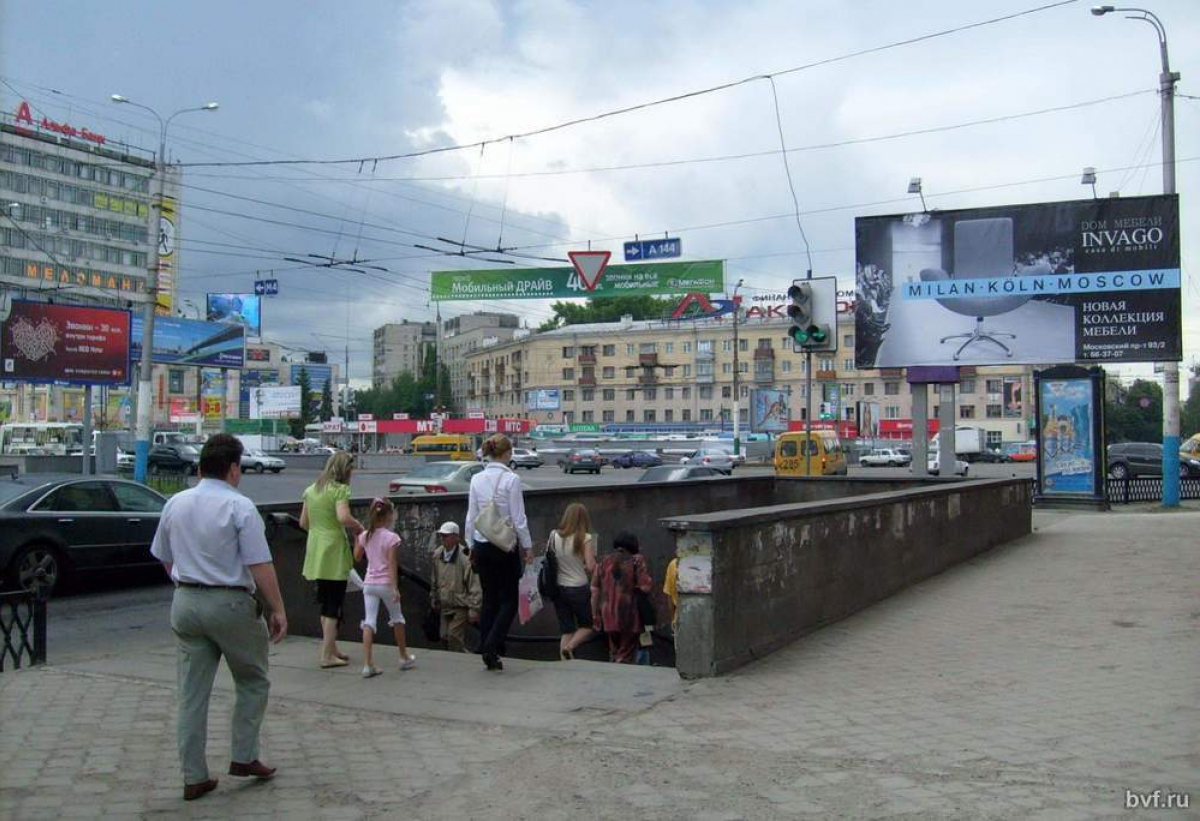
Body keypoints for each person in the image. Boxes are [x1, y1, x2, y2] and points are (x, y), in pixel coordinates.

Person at [149, 433, 287, 802]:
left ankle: (193, 776)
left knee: (191, 694)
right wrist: (277, 609)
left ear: (199, 467)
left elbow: (164, 555)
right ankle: (244, 756)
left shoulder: (175, 503)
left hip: (185, 600)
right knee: (253, 680)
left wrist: (187, 583)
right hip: (230, 604)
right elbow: (260, 565)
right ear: (232, 468)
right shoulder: (240, 507)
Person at [464, 433, 532, 671]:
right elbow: (518, 517)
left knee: (489, 597)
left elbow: (471, 516)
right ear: (505, 454)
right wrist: (527, 547)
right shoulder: (511, 479)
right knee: (510, 600)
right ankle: (492, 645)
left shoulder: (476, 479)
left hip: (482, 543)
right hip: (505, 546)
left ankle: (487, 645)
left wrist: (470, 544)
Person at [300, 451, 364, 668]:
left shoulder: (311, 490)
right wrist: (358, 526)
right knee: (334, 604)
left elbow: (303, 523)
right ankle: (326, 656)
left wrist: (320, 529)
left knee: (325, 600)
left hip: (316, 548)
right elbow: (343, 517)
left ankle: (332, 647)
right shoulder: (340, 490)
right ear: (345, 470)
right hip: (334, 549)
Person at [353, 498, 416, 678]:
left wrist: (357, 539)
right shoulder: (391, 538)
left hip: (369, 583)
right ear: (388, 515)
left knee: (369, 621)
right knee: (397, 618)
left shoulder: (366, 535)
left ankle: (367, 664)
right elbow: (391, 564)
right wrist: (395, 587)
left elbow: (357, 557)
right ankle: (403, 656)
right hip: (385, 583)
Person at [591, 531, 653, 664]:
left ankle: (615, 669)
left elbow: (594, 589)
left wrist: (595, 614)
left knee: (614, 650)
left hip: (608, 614)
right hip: (629, 614)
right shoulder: (637, 560)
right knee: (626, 652)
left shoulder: (603, 562)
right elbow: (645, 586)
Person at [549, 503, 596, 660]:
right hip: (578, 587)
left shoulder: (553, 535)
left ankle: (564, 664)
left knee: (567, 629)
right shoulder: (585, 538)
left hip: (559, 588)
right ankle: (570, 647)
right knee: (587, 626)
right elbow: (590, 566)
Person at [430, 521, 481, 652]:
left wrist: (474, 608)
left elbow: (474, 583)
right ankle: (460, 657)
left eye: (446, 536)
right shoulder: (437, 555)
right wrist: (434, 597)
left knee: (454, 636)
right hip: (445, 603)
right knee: (444, 636)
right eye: (442, 536)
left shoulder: (465, 557)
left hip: (460, 604)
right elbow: (434, 578)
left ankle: (459, 661)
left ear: (456, 537)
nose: (443, 539)